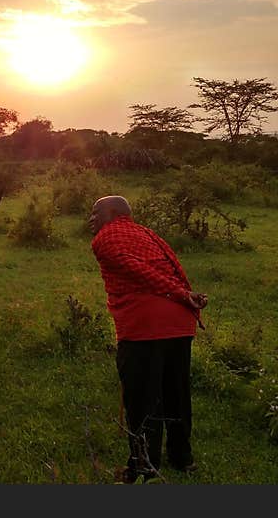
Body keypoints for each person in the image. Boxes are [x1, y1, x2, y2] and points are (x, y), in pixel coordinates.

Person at [88, 196, 208, 482]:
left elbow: (140, 271)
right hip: (179, 324)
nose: (91, 219)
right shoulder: (146, 233)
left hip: (145, 327)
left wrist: (181, 294)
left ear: (113, 214)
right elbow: (173, 267)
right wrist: (184, 295)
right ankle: (182, 459)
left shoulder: (105, 238)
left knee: (142, 399)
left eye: (96, 213)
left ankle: (144, 467)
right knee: (176, 394)